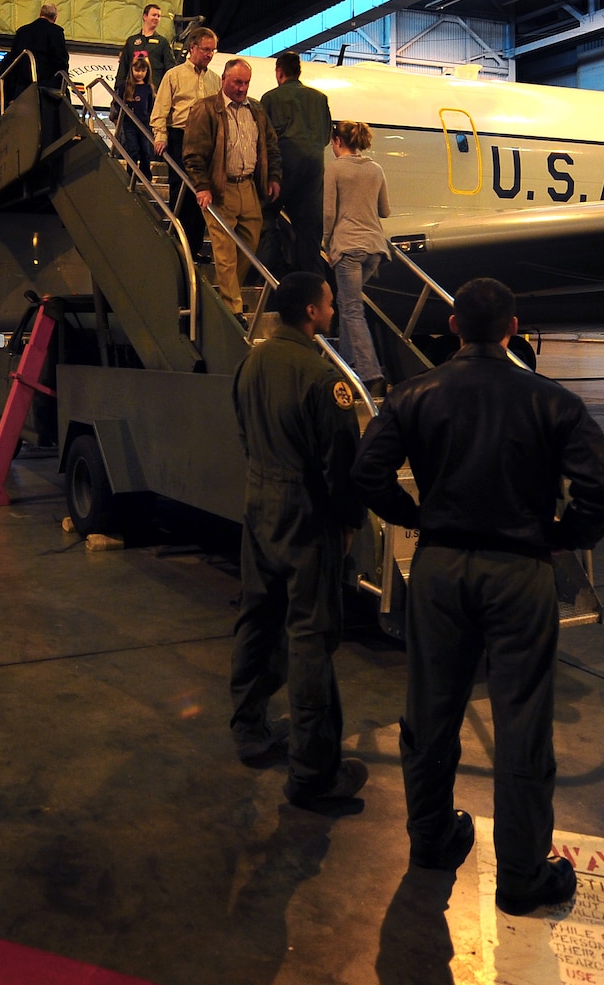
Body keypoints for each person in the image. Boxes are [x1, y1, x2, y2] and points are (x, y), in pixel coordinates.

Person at [350, 278, 604, 915]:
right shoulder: (551, 400)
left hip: (441, 568)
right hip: (520, 571)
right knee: (522, 721)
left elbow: (367, 472)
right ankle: (524, 876)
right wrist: (561, 536)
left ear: (451, 327)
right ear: (514, 328)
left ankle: (432, 839)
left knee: (430, 709)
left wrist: (415, 515)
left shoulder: (414, 395)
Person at [229, 271, 367, 809]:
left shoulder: (252, 361)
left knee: (258, 616)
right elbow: (341, 460)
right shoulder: (318, 374)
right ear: (311, 312)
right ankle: (313, 772)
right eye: (329, 305)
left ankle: (250, 729)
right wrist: (349, 520)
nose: (333, 311)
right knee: (311, 635)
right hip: (306, 515)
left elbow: (242, 428)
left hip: (258, 502)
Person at [185, 58, 281, 314]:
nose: (242, 88)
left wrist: (273, 177)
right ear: (224, 79)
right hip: (219, 189)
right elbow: (193, 153)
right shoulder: (205, 109)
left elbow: (271, 146)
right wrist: (202, 186)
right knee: (225, 254)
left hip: (249, 186)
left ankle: (226, 298)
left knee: (249, 245)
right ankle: (233, 310)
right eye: (237, 82)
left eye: (246, 83)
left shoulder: (257, 111)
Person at [323, 121, 390, 392]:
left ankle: (370, 372)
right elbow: (384, 210)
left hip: (348, 247)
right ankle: (347, 365)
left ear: (338, 142)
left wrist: (326, 242)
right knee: (347, 303)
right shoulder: (376, 169)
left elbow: (329, 213)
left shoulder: (335, 168)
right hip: (375, 249)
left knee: (351, 309)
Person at [259, 52, 333, 279]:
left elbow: (263, 139)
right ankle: (312, 288)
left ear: (279, 72)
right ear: (298, 72)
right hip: (313, 170)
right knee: (309, 232)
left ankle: (270, 277)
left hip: (282, 168)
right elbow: (326, 136)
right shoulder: (320, 99)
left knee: (266, 216)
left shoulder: (270, 98)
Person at [152, 26, 222, 254]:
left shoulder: (215, 80)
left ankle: (194, 248)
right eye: (206, 49)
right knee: (180, 190)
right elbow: (161, 108)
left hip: (206, 140)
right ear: (192, 47)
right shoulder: (174, 75)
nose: (210, 54)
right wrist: (160, 135)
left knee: (201, 192)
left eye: (213, 50)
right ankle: (177, 247)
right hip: (179, 135)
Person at [3, 2, 70, 103]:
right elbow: (60, 59)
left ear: (40, 14)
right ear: (55, 18)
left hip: (22, 87)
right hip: (45, 87)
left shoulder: (22, 31)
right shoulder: (56, 32)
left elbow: (14, 57)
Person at [114, 3, 178, 101]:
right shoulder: (132, 41)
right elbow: (123, 66)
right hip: (131, 91)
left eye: (159, 16)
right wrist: (117, 89)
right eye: (154, 15)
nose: (156, 18)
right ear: (145, 16)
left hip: (154, 93)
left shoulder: (163, 42)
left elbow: (170, 68)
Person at [118, 53, 157, 174]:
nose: (139, 73)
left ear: (147, 71)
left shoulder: (148, 88)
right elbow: (118, 102)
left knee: (145, 150)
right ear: (132, 70)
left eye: (142, 70)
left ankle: (146, 175)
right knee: (133, 150)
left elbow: (151, 107)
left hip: (144, 124)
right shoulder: (125, 86)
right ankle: (131, 174)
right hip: (129, 123)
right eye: (136, 70)